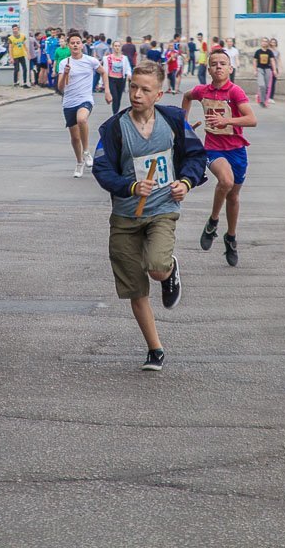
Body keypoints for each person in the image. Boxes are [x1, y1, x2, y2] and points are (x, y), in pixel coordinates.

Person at [92, 60, 207, 371]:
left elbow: (196, 156)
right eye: (133, 87)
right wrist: (129, 186)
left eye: (145, 89)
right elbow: (101, 169)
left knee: (156, 267)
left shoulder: (172, 120)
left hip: (162, 209)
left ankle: (169, 270)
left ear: (159, 94)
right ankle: (154, 349)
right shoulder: (115, 128)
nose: (137, 94)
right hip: (125, 217)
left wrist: (185, 182)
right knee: (136, 289)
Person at [182, 48, 257, 267]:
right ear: (209, 69)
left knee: (233, 197)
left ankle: (230, 237)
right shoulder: (202, 91)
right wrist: (183, 124)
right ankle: (213, 221)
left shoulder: (235, 92)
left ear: (230, 68)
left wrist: (227, 122)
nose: (218, 67)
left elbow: (251, 119)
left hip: (236, 150)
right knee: (225, 181)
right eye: (214, 64)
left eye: (223, 63)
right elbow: (186, 97)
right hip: (213, 148)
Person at [58, 31, 111, 177]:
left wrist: (107, 91)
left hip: (85, 99)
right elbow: (60, 87)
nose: (75, 45)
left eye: (78, 42)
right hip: (69, 102)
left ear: (82, 45)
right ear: (69, 45)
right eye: (72, 43)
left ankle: (86, 151)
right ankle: (79, 162)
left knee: (82, 119)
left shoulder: (90, 61)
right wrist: (66, 74)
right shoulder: (64, 63)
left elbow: (104, 72)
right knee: (75, 138)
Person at [104, 40, 133, 113]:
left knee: (119, 98)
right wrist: (103, 82)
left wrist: (129, 74)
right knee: (115, 98)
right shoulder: (107, 58)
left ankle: (116, 113)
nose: (117, 47)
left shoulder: (124, 58)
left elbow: (127, 68)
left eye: (118, 46)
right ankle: (115, 114)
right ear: (113, 47)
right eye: (115, 46)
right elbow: (104, 71)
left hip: (121, 80)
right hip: (111, 79)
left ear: (121, 47)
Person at [252, 37, 276, 107]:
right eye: (263, 41)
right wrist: (254, 70)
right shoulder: (258, 52)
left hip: (268, 69)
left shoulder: (269, 52)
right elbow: (254, 61)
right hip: (260, 69)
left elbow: (272, 61)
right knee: (262, 85)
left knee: (266, 86)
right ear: (261, 42)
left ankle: (264, 100)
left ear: (267, 43)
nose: (264, 43)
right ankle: (262, 100)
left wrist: (274, 70)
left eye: (266, 41)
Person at [268, 38, 282, 102]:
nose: (273, 43)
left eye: (274, 42)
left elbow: (279, 60)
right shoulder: (268, 50)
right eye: (272, 42)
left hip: (275, 68)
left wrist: (279, 69)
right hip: (268, 68)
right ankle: (266, 96)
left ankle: (271, 97)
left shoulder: (277, 51)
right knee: (267, 83)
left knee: (273, 83)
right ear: (270, 43)